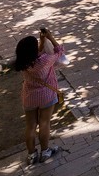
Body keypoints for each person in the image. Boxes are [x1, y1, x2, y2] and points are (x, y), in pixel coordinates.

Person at [15, 26, 65, 165]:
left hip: (29, 96)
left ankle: (31, 155)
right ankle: (45, 151)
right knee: (44, 123)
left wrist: (41, 41)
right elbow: (59, 52)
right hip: (46, 95)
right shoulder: (44, 61)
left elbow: (37, 52)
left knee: (30, 126)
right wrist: (50, 37)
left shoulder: (23, 62)